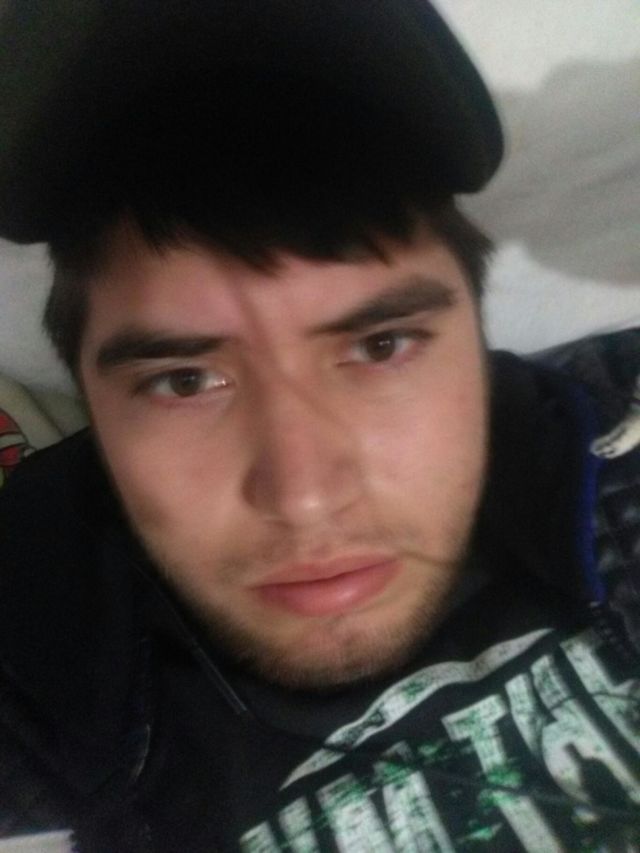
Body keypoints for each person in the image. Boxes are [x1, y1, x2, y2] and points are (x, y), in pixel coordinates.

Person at [0, 2, 638, 851]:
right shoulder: (39, 639)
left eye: (381, 345)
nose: (304, 497)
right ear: (91, 400)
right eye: (184, 380)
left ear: (476, 333)